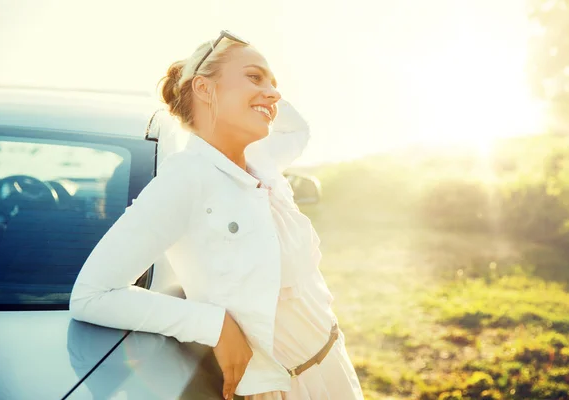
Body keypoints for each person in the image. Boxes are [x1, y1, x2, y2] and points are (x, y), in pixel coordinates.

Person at [69, 30, 364, 400]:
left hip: (332, 364)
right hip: (284, 387)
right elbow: (91, 295)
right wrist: (215, 326)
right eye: (254, 76)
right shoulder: (184, 180)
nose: (274, 94)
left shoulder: (261, 159)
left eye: (275, 84)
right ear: (205, 89)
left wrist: (261, 90)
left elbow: (298, 129)